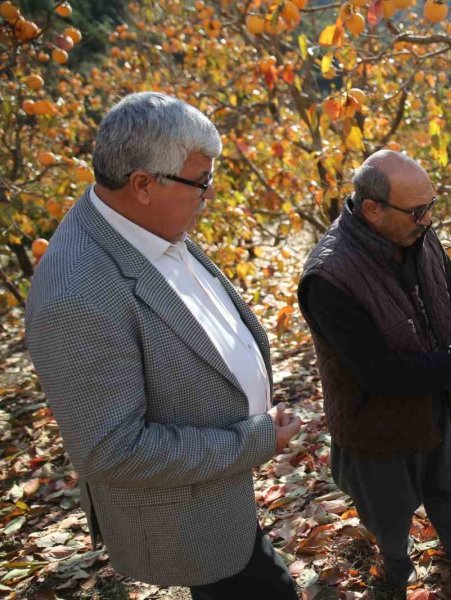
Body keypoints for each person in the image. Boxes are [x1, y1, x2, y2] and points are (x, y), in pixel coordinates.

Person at [25, 92, 302, 599]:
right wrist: (256, 440)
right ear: (143, 184)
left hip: (222, 488)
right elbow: (112, 450)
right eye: (201, 182)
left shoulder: (137, 220)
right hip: (186, 518)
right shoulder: (75, 295)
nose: (210, 195)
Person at [297, 150, 451, 594]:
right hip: (376, 428)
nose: (428, 219)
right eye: (417, 210)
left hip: (438, 405)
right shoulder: (329, 278)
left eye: (431, 206)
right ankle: (393, 569)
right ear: (372, 208)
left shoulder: (418, 234)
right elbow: (382, 375)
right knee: (389, 516)